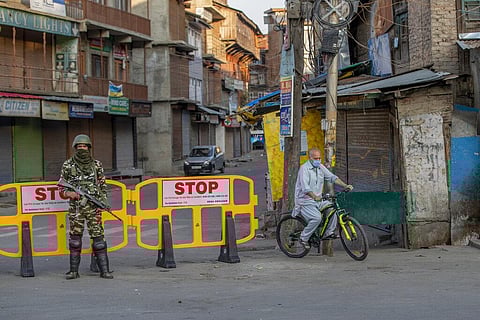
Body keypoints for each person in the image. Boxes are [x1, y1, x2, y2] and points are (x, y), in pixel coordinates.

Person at [59, 134, 113, 280]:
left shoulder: (97, 165)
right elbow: (61, 189)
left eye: (84, 146)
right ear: (75, 148)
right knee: (75, 239)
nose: (82, 149)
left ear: (89, 148)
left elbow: (102, 187)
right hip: (76, 208)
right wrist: (70, 194)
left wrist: (104, 203)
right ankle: (73, 271)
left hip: (94, 207)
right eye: (79, 146)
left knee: (99, 240)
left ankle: (105, 270)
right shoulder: (68, 165)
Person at [292, 148, 353, 249]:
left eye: (319, 158)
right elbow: (305, 188)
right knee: (317, 218)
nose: (318, 160)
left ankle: (328, 233)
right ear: (309, 158)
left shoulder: (320, 167)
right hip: (305, 201)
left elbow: (332, 177)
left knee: (332, 209)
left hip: (319, 200)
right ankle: (303, 238)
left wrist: (345, 185)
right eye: (315, 158)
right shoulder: (304, 169)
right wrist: (314, 196)